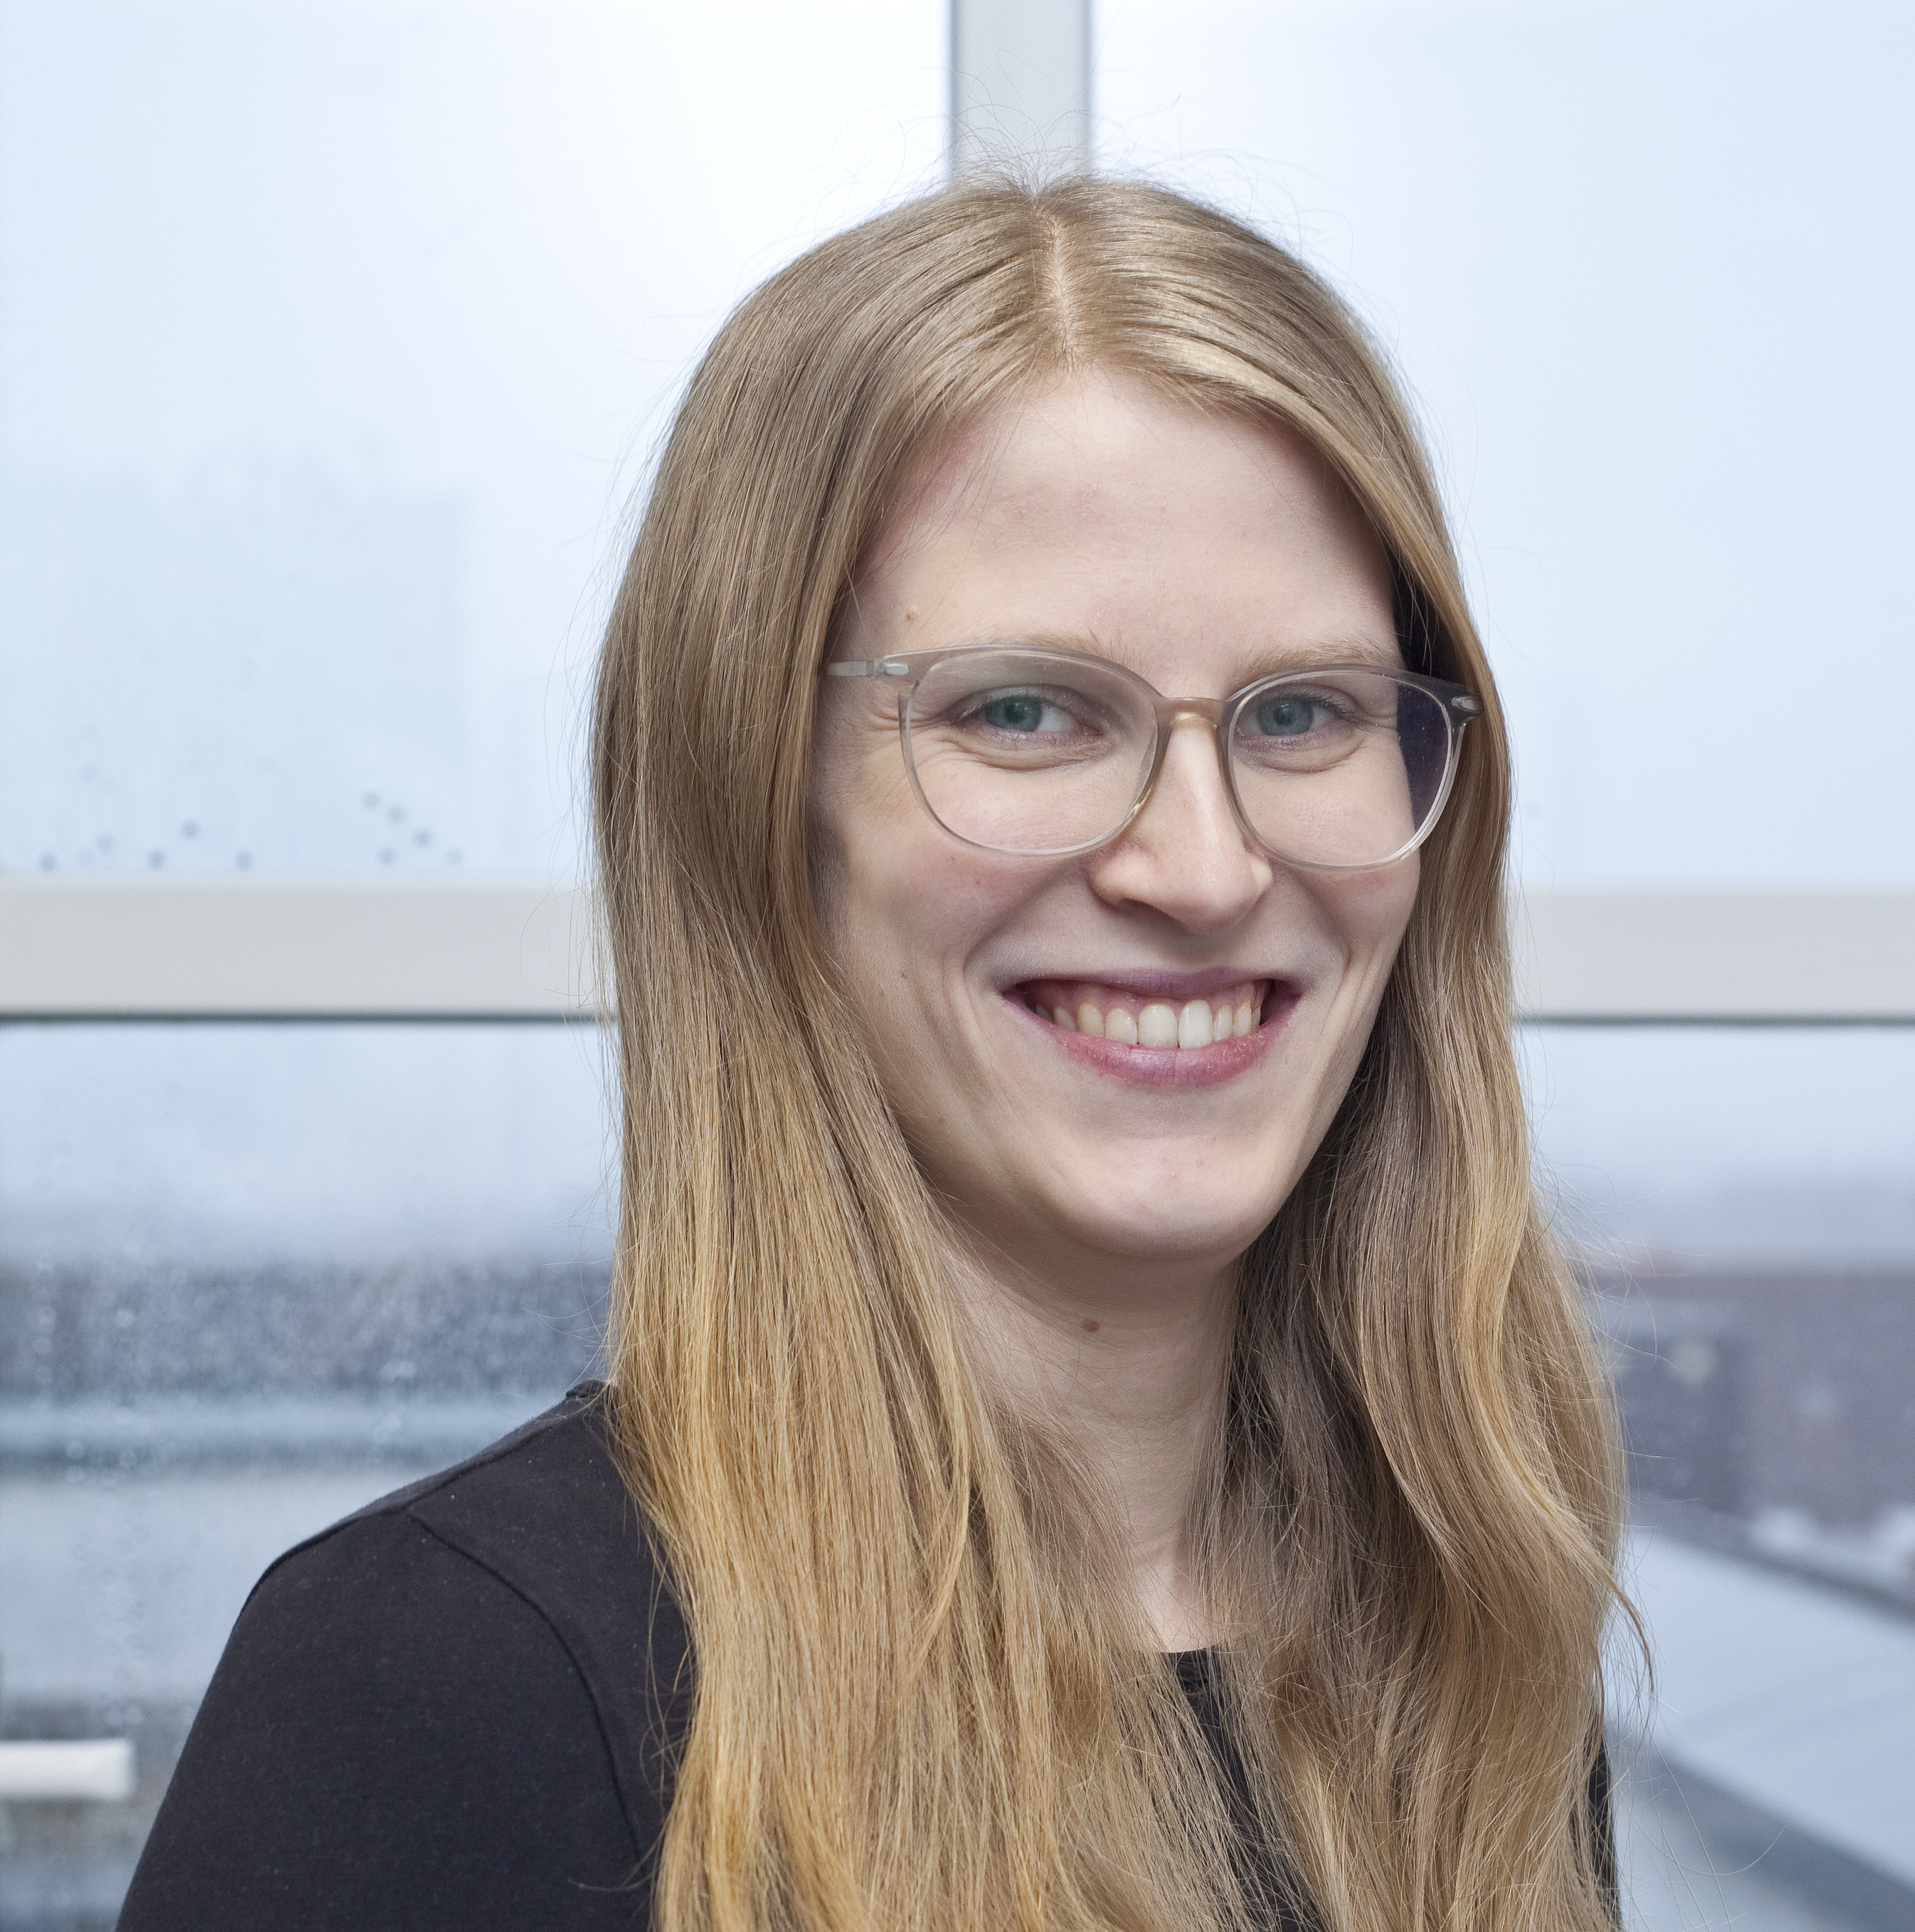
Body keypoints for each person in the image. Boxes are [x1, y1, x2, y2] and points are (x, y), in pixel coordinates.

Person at [118, 176, 1625, 1932]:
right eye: (1026, 710)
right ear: (760, 795)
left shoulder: (1464, 1632)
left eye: (1304, 714)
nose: (1205, 869)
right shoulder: (441, 1684)